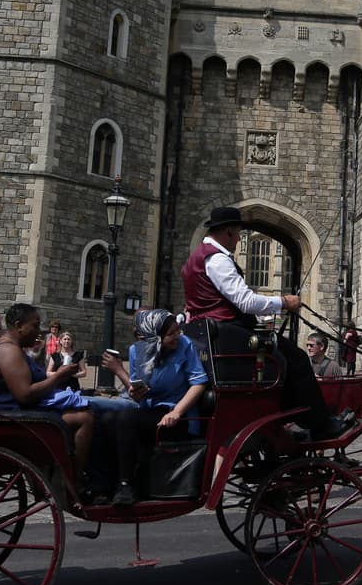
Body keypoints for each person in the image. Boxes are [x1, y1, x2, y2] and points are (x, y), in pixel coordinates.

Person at [182, 206, 345, 440]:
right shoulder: (217, 260)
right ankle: (319, 425)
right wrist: (284, 302)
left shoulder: (195, 259)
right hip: (230, 334)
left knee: (284, 358)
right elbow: (245, 301)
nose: (239, 239)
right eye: (238, 233)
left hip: (212, 334)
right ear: (228, 231)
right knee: (297, 358)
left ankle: (292, 416)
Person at [100, 309, 209, 506]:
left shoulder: (185, 346)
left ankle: (127, 485)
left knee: (126, 418)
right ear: (154, 338)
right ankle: (109, 481)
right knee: (107, 419)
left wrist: (177, 412)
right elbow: (137, 390)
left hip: (178, 415)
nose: (177, 336)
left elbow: (198, 383)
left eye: (177, 330)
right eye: (171, 334)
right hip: (151, 411)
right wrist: (135, 392)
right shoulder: (136, 352)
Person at [0, 303, 95, 484]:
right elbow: (25, 394)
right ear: (19, 326)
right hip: (15, 417)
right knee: (86, 417)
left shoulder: (13, 349)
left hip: (17, 411)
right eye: (35, 326)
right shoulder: (9, 352)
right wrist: (59, 376)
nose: (39, 332)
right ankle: (74, 480)